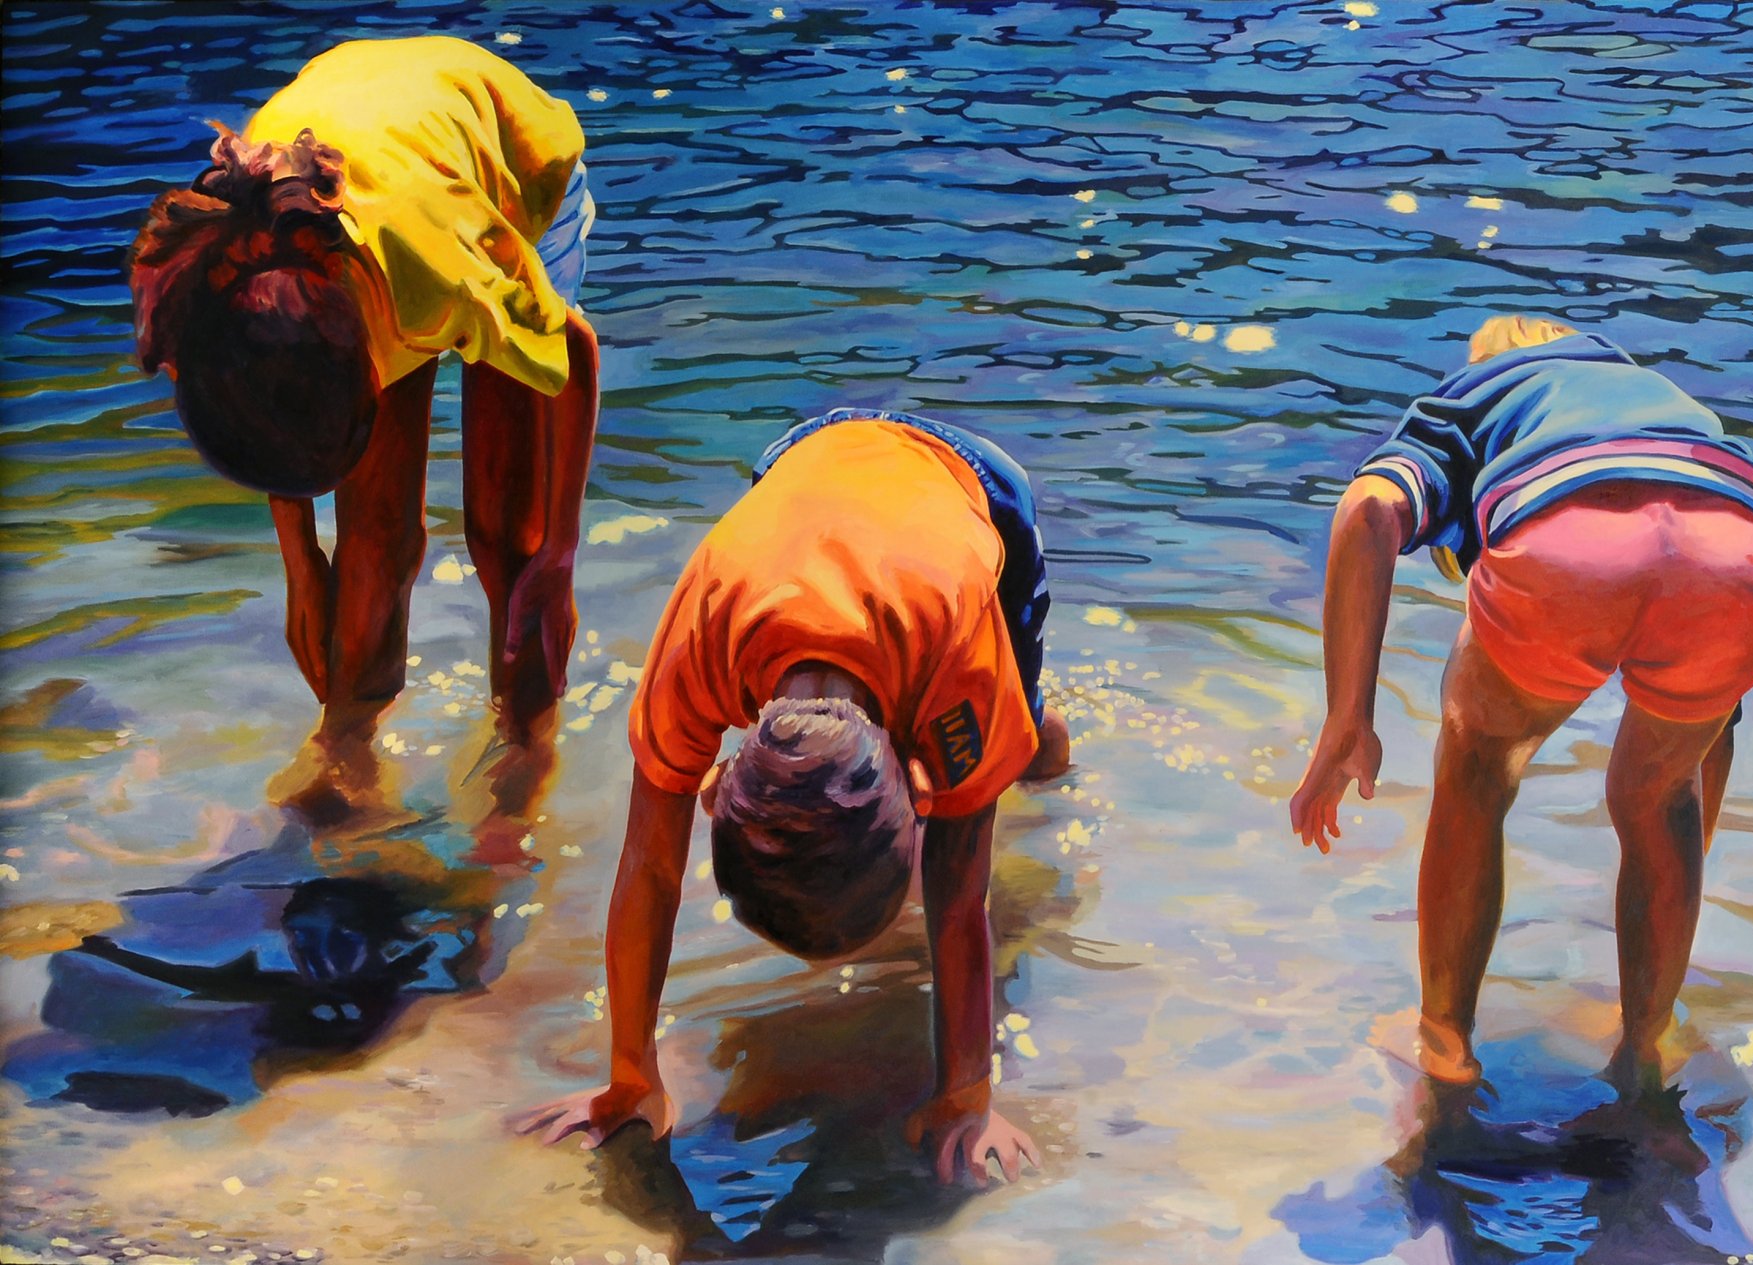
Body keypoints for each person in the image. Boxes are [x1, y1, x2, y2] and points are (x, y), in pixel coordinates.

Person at [515, 409, 1072, 1187]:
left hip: (973, 489)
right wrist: (630, 1077)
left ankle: (1044, 737)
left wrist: (967, 1095)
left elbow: (958, 892)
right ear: (718, 787)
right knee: (982, 750)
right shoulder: (703, 638)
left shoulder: (957, 657)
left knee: (1025, 750)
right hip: (799, 474)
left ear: (919, 792)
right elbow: (649, 868)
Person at [1289, 317, 1753, 1092]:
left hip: (1570, 537)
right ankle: (1644, 1045)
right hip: (1736, 539)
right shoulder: (1656, 393)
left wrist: (1347, 716)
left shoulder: (1478, 392)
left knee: (1478, 764)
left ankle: (1444, 1044)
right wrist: (1670, 831)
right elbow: (1716, 737)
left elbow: (1368, 510)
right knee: (1661, 795)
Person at [127, 35, 601, 774]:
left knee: (511, 538)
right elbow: (264, 406)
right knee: (371, 541)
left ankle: (524, 753)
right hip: (369, 173)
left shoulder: (449, 276)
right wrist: (302, 564)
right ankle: (347, 752)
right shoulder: (217, 278)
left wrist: (561, 557)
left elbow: (572, 353)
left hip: (504, 164)